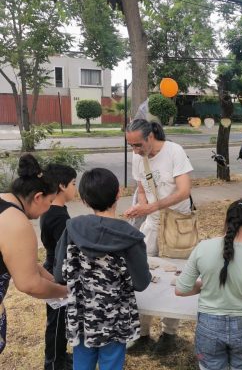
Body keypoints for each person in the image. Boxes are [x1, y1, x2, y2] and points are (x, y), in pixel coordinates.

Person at [53, 168, 151, 370]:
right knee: (112, 363)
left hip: (81, 316)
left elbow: (59, 275)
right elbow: (141, 283)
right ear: (119, 193)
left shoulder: (72, 228)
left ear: (84, 200)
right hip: (116, 318)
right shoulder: (131, 237)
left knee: (82, 362)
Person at [175, 199, 242, 370]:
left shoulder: (203, 248)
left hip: (208, 328)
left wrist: (207, 284)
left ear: (226, 222)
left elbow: (181, 289)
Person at [124, 118, 193, 354]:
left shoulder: (174, 151)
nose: (135, 150)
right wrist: (141, 207)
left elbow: (184, 191)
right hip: (152, 223)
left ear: (150, 137)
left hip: (177, 224)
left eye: (138, 145)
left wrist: (151, 207)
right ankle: (142, 333)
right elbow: (142, 189)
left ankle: (169, 334)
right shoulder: (137, 157)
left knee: (174, 275)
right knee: (142, 273)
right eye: (131, 146)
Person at [0, 154, 67, 354]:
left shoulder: (3, 202)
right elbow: (29, 284)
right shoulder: (17, 223)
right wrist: (66, 292)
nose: (49, 208)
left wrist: (56, 281)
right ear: (38, 197)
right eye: (50, 201)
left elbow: (20, 261)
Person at [41, 164, 77, 370]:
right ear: (62, 186)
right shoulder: (58, 216)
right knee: (57, 323)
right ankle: (54, 363)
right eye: (73, 183)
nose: (75, 187)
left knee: (61, 321)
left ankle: (60, 356)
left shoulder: (54, 210)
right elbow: (65, 249)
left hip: (54, 267)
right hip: (57, 272)